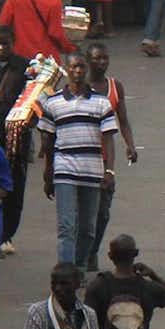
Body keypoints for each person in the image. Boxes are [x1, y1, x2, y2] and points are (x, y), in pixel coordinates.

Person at [38, 51, 120, 268]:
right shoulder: (53, 103)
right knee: (66, 226)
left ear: (86, 69)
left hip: (92, 171)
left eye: (81, 67)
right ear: (66, 69)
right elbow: (48, 139)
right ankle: (66, 273)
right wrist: (48, 172)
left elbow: (109, 139)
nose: (77, 71)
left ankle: (80, 267)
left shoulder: (101, 103)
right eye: (73, 67)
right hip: (64, 171)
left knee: (88, 229)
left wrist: (109, 171)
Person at [80, 44, 140, 270]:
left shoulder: (115, 87)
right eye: (97, 58)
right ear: (88, 61)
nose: (102, 63)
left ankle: (92, 251)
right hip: (82, 157)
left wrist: (130, 145)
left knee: (102, 213)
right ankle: (83, 255)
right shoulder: (79, 87)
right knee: (84, 213)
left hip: (106, 160)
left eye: (105, 58)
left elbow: (122, 120)